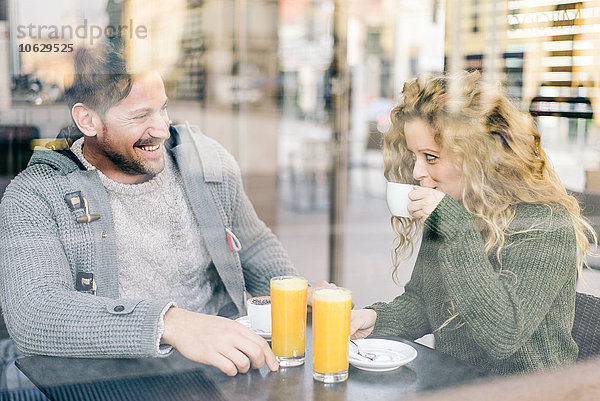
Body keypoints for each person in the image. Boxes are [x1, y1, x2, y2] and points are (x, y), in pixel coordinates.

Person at [0, 43, 321, 377]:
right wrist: (171, 323)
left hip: (225, 370)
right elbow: (33, 314)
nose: (162, 129)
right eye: (140, 116)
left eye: (163, 109)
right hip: (111, 380)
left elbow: (254, 246)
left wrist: (299, 292)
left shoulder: (206, 162)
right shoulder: (34, 195)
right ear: (87, 119)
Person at [350, 71, 597, 375]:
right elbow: (424, 304)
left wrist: (454, 227)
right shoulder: (453, 211)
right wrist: (373, 319)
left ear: (479, 155)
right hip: (459, 383)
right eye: (415, 156)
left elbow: (503, 336)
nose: (416, 172)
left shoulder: (545, 223)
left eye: (430, 157)